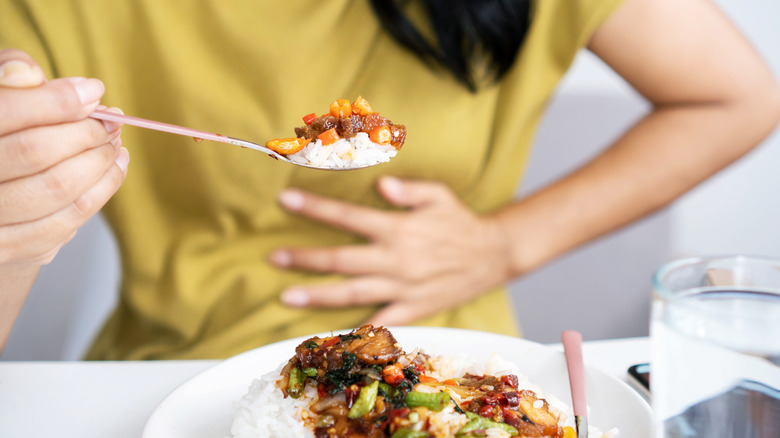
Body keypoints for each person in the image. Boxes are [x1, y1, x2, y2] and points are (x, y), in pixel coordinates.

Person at [1, 0, 778, 360]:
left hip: (451, 359)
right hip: (174, 372)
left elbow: (738, 96)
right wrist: (12, 227)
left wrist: (506, 244)